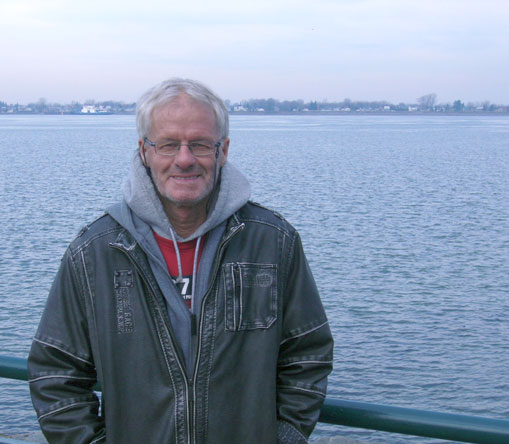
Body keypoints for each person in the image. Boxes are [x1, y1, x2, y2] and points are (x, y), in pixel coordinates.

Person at [27, 78, 333, 444]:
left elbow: (308, 352)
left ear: (223, 151)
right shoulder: (97, 251)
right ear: (144, 151)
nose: (184, 159)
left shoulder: (272, 242)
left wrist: (284, 436)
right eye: (169, 144)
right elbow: (55, 370)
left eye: (200, 144)